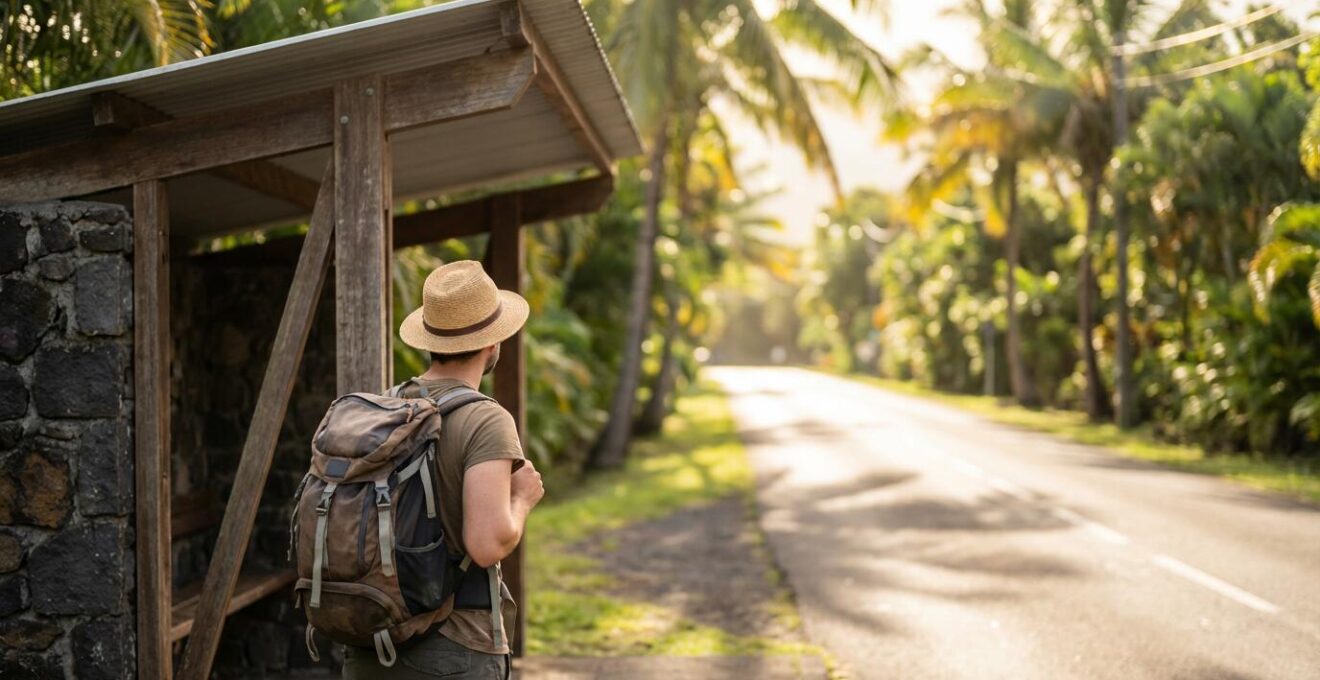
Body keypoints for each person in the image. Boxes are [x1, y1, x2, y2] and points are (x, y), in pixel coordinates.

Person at [342, 260, 545, 679]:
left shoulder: (386, 406)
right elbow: (485, 544)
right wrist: (522, 499)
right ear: (493, 343)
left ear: (430, 340)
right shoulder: (486, 419)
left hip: (371, 643)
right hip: (453, 650)